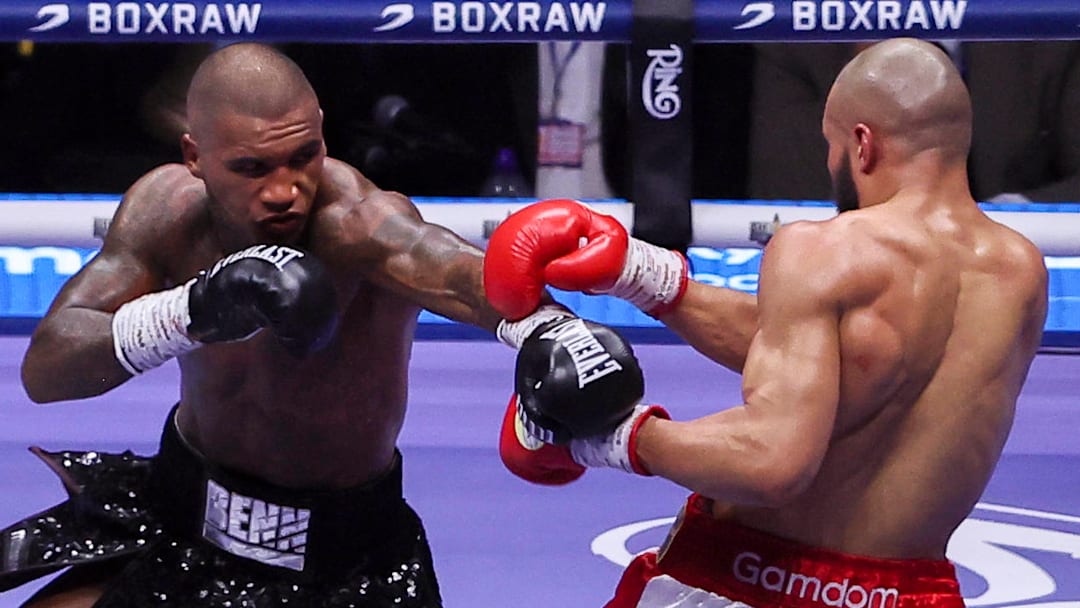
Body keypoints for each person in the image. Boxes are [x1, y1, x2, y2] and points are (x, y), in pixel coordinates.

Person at [483, 38, 1049, 607]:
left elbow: (770, 461)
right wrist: (645, 275)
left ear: (862, 144)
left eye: (830, 146)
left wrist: (608, 436)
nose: (830, 166)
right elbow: (837, 356)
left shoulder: (825, 249)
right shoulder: (1018, 273)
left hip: (755, 577)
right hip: (912, 592)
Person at [0, 42, 564, 608]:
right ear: (195, 157)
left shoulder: (361, 226)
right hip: (179, 522)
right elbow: (47, 371)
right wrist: (190, 312)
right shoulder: (167, 214)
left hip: (346, 565)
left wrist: (555, 335)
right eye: (251, 168)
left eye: (303, 157)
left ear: (322, 134)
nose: (284, 192)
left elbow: (465, 278)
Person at [748, 40, 1080, 203]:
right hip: (863, 271)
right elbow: (793, 195)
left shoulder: (1044, 23)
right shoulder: (797, 36)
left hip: (1020, 267)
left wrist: (998, 223)